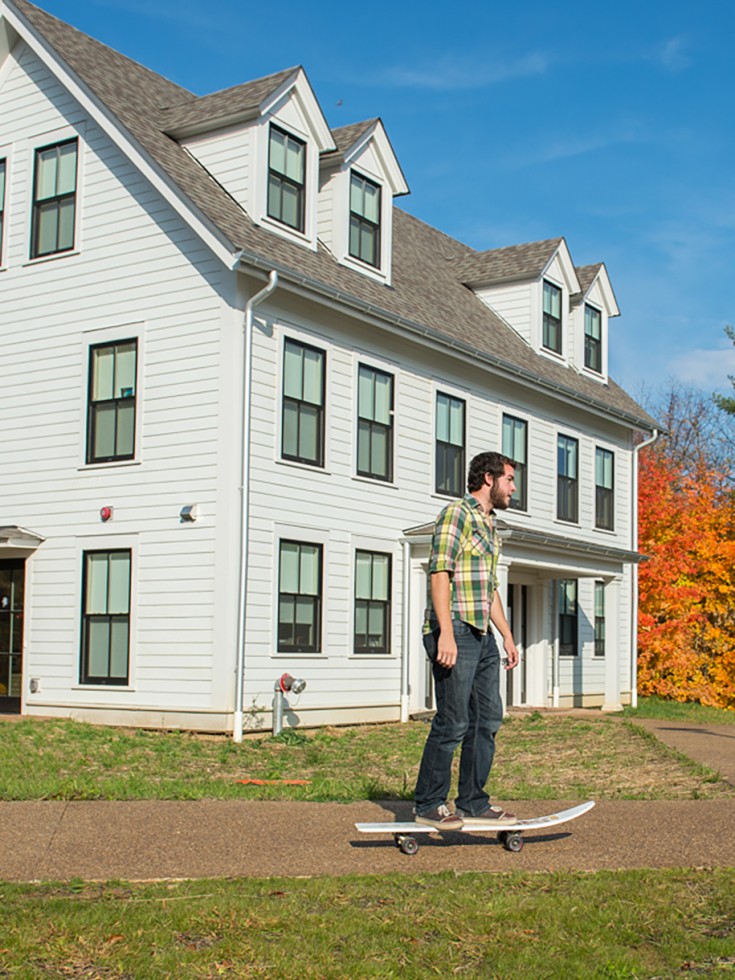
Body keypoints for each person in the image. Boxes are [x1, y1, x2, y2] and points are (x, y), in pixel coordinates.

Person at [413, 451, 519, 829]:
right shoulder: (456, 514)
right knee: (453, 722)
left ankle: (473, 800)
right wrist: (444, 632)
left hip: (482, 634)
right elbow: (440, 572)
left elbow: (488, 590)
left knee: (487, 719)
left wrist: (506, 636)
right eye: (509, 479)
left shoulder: (490, 526)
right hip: (454, 628)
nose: (513, 487)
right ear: (488, 479)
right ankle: (428, 803)